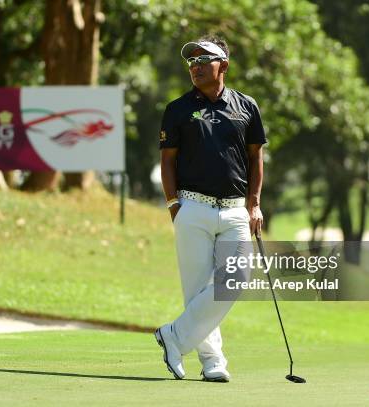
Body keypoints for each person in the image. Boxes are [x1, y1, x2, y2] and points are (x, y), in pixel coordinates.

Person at [154, 35, 267, 382]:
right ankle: (213, 361)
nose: (196, 67)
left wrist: (255, 204)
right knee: (198, 288)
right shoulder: (177, 109)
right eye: (192, 62)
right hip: (193, 207)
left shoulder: (246, 106)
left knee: (236, 277)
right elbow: (168, 161)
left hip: (235, 210)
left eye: (204, 60)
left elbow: (255, 157)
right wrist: (175, 204)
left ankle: (173, 336)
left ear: (224, 65)